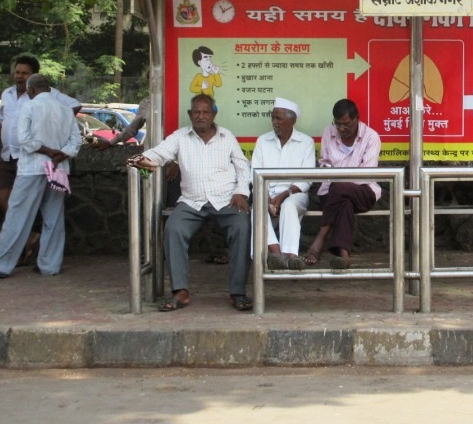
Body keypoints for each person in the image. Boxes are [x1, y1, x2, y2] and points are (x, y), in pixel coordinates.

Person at [127, 94, 252, 312]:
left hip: (225, 199)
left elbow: (243, 167)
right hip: (191, 202)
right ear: (189, 114)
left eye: (205, 112)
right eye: (196, 112)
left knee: (242, 227)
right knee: (173, 229)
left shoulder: (226, 136)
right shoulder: (180, 136)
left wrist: (241, 192)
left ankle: (238, 291)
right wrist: (134, 163)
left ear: (214, 114)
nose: (201, 116)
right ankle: (180, 292)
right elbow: (158, 155)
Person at [0, 53, 80, 262]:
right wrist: (61, 153)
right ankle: (48, 264)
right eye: (17, 72)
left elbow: (25, 139)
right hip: (37, 162)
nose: (19, 76)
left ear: (32, 84)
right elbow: (75, 141)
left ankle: (2, 265)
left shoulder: (36, 103)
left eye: (24, 74)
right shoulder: (10, 95)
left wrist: (50, 148)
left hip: (31, 164)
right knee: (51, 217)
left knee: (18, 214)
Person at [302, 99, 381, 269]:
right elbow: (324, 163)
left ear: (356, 119)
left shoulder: (371, 137)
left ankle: (320, 240)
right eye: (337, 124)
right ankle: (343, 255)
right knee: (344, 202)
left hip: (364, 192)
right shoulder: (328, 132)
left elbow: (366, 175)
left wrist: (339, 179)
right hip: (331, 193)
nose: (341, 129)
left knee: (339, 189)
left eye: (346, 124)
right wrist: (336, 179)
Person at [251, 97, 316, 270]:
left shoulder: (306, 142)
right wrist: (266, 198)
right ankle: (277, 254)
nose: (274, 122)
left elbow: (307, 178)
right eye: (272, 117)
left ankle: (291, 256)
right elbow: (255, 174)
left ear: (292, 120)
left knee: (288, 206)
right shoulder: (262, 141)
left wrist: (283, 195)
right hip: (267, 192)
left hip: (295, 194)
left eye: (278, 118)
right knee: (257, 209)